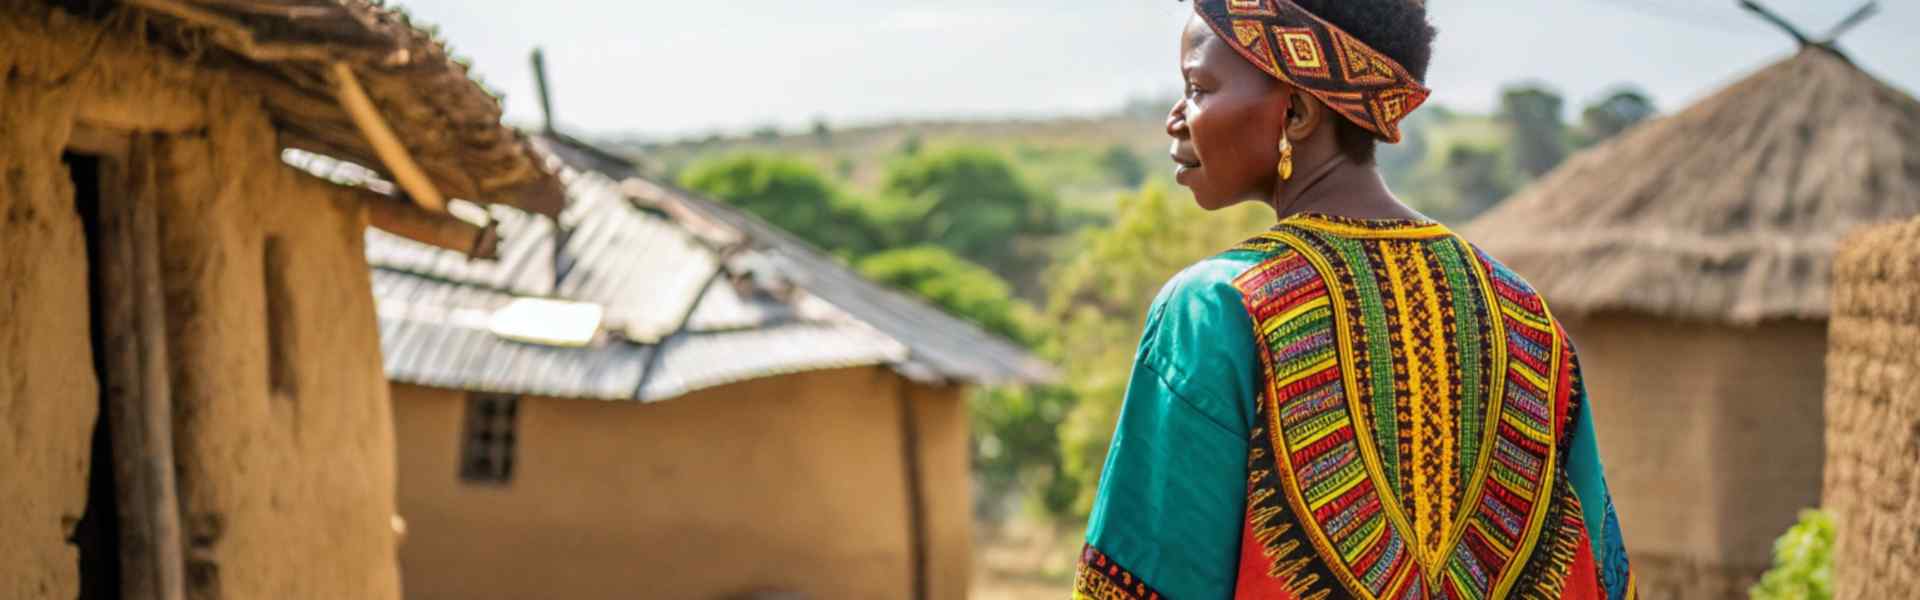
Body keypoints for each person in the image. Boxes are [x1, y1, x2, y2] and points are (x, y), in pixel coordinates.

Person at [1073, 1, 1636, 598]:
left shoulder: (1215, 310)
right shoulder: (1524, 316)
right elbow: (1600, 573)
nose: (1176, 117)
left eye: (1198, 87)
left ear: (1297, 112)